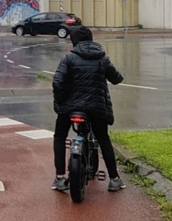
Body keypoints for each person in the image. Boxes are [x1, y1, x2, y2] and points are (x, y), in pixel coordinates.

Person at [51, 26, 125, 193]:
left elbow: (57, 82)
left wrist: (61, 102)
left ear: (74, 41)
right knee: (103, 138)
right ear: (91, 39)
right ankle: (114, 179)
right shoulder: (102, 57)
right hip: (96, 107)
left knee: (60, 137)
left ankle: (60, 177)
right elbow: (117, 78)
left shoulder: (68, 58)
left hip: (70, 108)